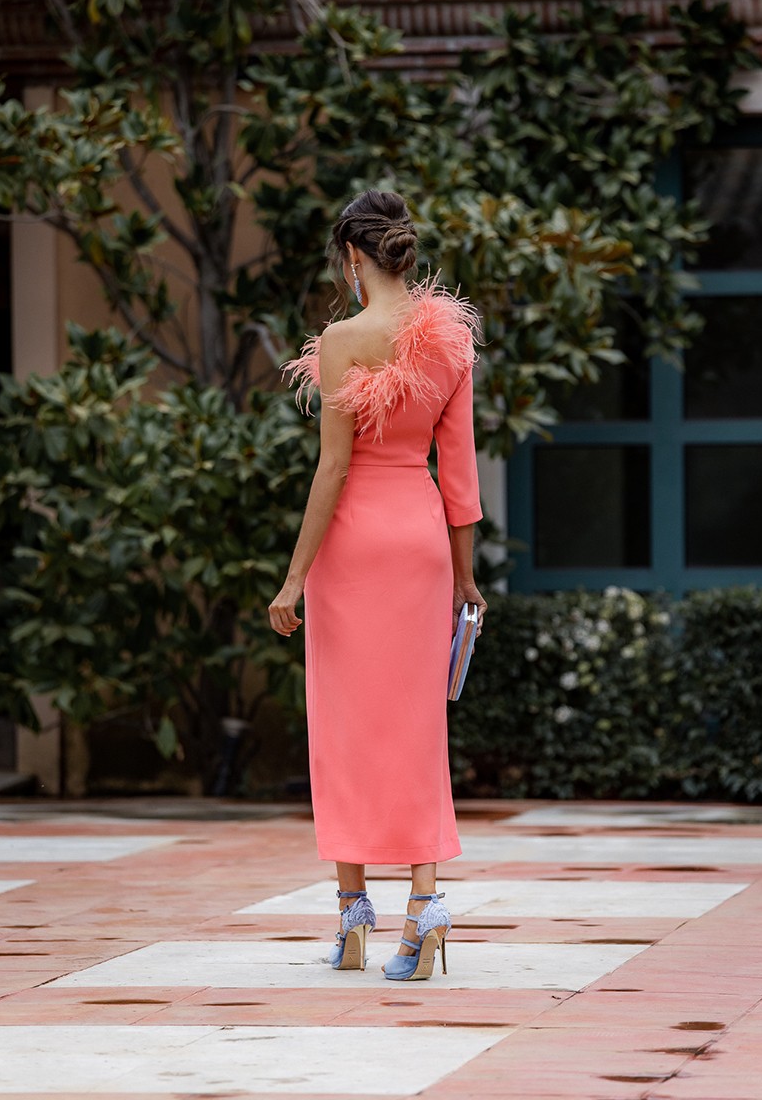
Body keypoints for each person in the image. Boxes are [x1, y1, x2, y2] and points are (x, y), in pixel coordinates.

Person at [268, 189, 487, 982]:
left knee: (343, 725)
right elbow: (459, 475)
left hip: (355, 547)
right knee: (418, 726)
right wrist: (464, 577)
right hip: (422, 540)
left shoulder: (341, 340)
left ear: (353, 257)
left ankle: (351, 914)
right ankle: (424, 906)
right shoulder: (450, 346)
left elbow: (333, 467)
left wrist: (293, 579)